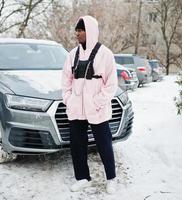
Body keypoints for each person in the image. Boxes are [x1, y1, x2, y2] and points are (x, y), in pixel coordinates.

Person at [61, 15, 118, 194]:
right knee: (77, 145)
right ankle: (82, 178)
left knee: (104, 144)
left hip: (97, 109)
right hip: (76, 108)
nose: (77, 33)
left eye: (80, 30)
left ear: (90, 31)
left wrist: (97, 102)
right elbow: (66, 81)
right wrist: (68, 99)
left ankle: (111, 179)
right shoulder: (72, 55)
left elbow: (111, 84)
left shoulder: (105, 54)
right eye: (76, 30)